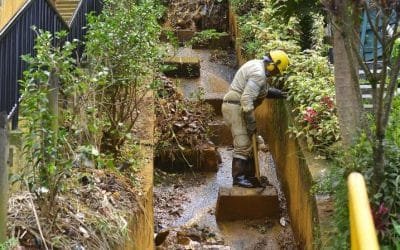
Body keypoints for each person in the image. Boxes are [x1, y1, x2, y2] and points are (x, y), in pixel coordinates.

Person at [221, 50, 290, 188]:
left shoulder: (256, 64)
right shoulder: (259, 74)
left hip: (236, 107)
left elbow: (260, 90)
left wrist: (281, 94)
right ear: (272, 64)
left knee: (251, 144)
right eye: (276, 71)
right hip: (236, 108)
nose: (276, 74)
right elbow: (246, 99)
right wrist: (251, 122)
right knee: (243, 144)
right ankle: (239, 179)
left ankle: (250, 176)